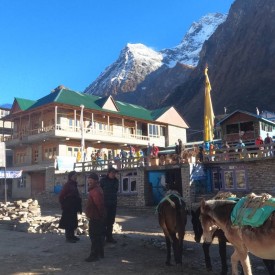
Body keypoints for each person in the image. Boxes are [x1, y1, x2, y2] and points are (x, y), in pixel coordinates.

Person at [85, 173, 106, 262]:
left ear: (96, 181)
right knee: (99, 236)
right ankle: (100, 253)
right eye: (88, 179)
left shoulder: (95, 191)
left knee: (94, 237)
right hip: (97, 217)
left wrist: (100, 216)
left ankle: (94, 255)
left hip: (96, 217)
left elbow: (100, 205)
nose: (89, 181)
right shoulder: (95, 190)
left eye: (91, 179)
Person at [59, 171, 82, 243]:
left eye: (76, 176)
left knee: (73, 222)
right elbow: (61, 196)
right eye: (74, 176)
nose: (76, 177)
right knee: (68, 222)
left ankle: (72, 236)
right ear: (71, 177)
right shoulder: (68, 185)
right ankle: (68, 237)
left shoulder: (74, 184)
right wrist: (64, 205)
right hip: (68, 207)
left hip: (73, 207)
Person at [100, 167, 119, 243]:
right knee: (104, 221)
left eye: (115, 173)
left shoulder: (116, 181)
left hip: (113, 204)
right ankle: (102, 238)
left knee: (111, 221)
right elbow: (100, 191)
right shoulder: (103, 181)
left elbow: (115, 190)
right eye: (112, 173)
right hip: (104, 204)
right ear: (108, 173)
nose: (114, 174)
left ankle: (109, 237)